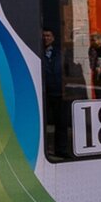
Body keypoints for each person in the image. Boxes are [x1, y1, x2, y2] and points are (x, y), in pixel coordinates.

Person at [41, 27, 69, 156]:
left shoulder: (60, 53)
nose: (46, 38)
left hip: (59, 92)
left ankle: (61, 150)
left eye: (48, 35)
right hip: (44, 93)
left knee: (61, 123)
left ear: (53, 38)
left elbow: (67, 71)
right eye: (44, 35)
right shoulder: (38, 52)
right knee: (42, 123)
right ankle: (42, 149)